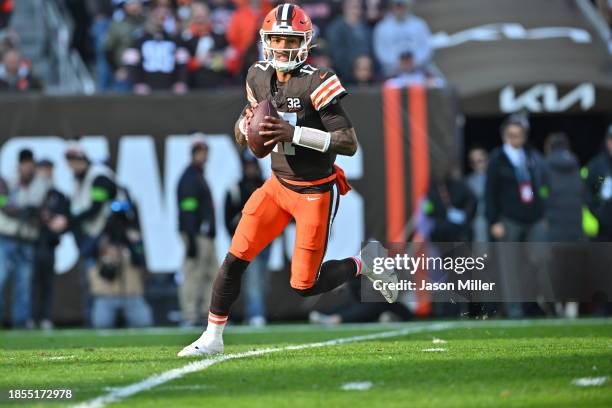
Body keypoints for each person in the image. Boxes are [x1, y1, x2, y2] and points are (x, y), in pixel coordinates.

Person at [178, 3, 397, 356]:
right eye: (276, 40)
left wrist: (293, 133)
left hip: (315, 191)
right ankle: (212, 338)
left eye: (289, 40)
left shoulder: (318, 80)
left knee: (304, 284)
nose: (281, 47)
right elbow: (243, 131)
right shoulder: (258, 76)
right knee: (235, 257)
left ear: (305, 42)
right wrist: (244, 127)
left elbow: (348, 144)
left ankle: (364, 263)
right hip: (277, 186)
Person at [485, 114, 549, 318]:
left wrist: (544, 214)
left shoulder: (531, 156)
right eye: (511, 135)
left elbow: (540, 186)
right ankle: (514, 310)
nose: (516, 139)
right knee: (509, 266)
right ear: (504, 135)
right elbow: (490, 192)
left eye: (519, 135)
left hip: (534, 217)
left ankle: (532, 304)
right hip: (509, 219)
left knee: (539, 259)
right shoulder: (497, 159)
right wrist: (493, 220)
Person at [65, 144, 118, 324]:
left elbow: (96, 209)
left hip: (104, 234)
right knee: (89, 277)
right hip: (91, 234)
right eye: (71, 161)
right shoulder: (80, 179)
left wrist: (69, 221)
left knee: (98, 277)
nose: (74, 165)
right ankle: (93, 318)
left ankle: (98, 319)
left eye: (76, 161)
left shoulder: (98, 177)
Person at [0, 149, 48, 328]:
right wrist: (24, 211)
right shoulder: (6, 181)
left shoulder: (41, 184)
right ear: (19, 165)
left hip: (27, 239)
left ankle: (21, 321)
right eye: (25, 164)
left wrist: (34, 212)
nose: (28, 167)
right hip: (6, 237)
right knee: (1, 278)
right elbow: (3, 205)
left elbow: (43, 211)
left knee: (24, 282)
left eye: (31, 164)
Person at [224, 149, 270, 326]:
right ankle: (255, 313)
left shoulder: (265, 187)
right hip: (248, 241)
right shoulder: (236, 189)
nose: (250, 169)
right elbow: (227, 219)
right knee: (253, 279)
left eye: (253, 165)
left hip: (266, 240)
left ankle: (256, 311)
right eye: (247, 166)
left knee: (262, 278)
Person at [177, 135, 218, 327]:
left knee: (212, 274)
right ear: (194, 154)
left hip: (204, 235)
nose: (204, 157)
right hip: (196, 234)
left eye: (206, 153)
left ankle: (206, 313)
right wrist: (191, 237)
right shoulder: (190, 178)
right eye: (201, 153)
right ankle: (190, 313)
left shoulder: (199, 176)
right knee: (193, 273)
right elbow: (188, 210)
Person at [32, 159, 70, 330]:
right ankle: (30, 318)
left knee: (47, 283)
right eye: (43, 169)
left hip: (49, 245)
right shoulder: (31, 192)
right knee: (31, 283)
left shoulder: (58, 195)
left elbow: (65, 219)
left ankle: (46, 317)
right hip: (31, 244)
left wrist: (60, 223)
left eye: (49, 169)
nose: (46, 173)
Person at [123, 5, 190, 94]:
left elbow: (182, 64)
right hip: (146, 88)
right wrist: (138, 83)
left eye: (164, 16)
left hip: (170, 87)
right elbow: (131, 63)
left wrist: (181, 82)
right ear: (151, 17)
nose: (160, 18)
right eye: (157, 15)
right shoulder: (139, 39)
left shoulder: (175, 39)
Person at [373, 0, 432, 78]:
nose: (399, 9)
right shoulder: (382, 27)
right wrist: (398, 64)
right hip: (392, 73)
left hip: (418, 70)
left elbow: (426, 47)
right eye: (397, 5)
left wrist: (414, 62)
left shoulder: (419, 24)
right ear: (392, 6)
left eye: (402, 5)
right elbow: (381, 51)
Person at [543, 133, 583, 241]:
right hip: (576, 225)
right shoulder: (575, 165)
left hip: (553, 226)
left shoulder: (544, 166)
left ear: (549, 147)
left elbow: (538, 193)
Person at [182, 1, 232, 88]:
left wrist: (219, 59)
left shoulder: (219, 33)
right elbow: (182, 64)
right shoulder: (186, 37)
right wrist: (198, 62)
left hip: (218, 80)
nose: (200, 16)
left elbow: (229, 56)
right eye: (197, 14)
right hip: (195, 82)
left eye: (202, 13)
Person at [103, 0, 147, 92]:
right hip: (126, 74)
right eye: (131, 4)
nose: (135, 7)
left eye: (137, 3)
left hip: (146, 74)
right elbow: (108, 51)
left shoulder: (148, 24)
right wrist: (117, 70)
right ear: (124, 6)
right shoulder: (117, 26)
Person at [326, 0, 372, 83]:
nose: (356, 11)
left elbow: (370, 50)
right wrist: (356, 62)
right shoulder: (335, 28)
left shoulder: (365, 27)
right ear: (345, 8)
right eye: (353, 7)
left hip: (367, 70)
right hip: (345, 72)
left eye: (358, 7)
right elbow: (336, 54)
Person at [583, 125, 612, 241]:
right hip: (603, 227)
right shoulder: (597, 165)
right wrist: (598, 212)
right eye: (611, 140)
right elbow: (589, 191)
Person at [466, 147, 489, 243]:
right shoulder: (468, 182)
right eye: (473, 162)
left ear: (487, 160)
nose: (477, 165)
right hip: (480, 220)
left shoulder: (499, 177)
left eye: (480, 161)